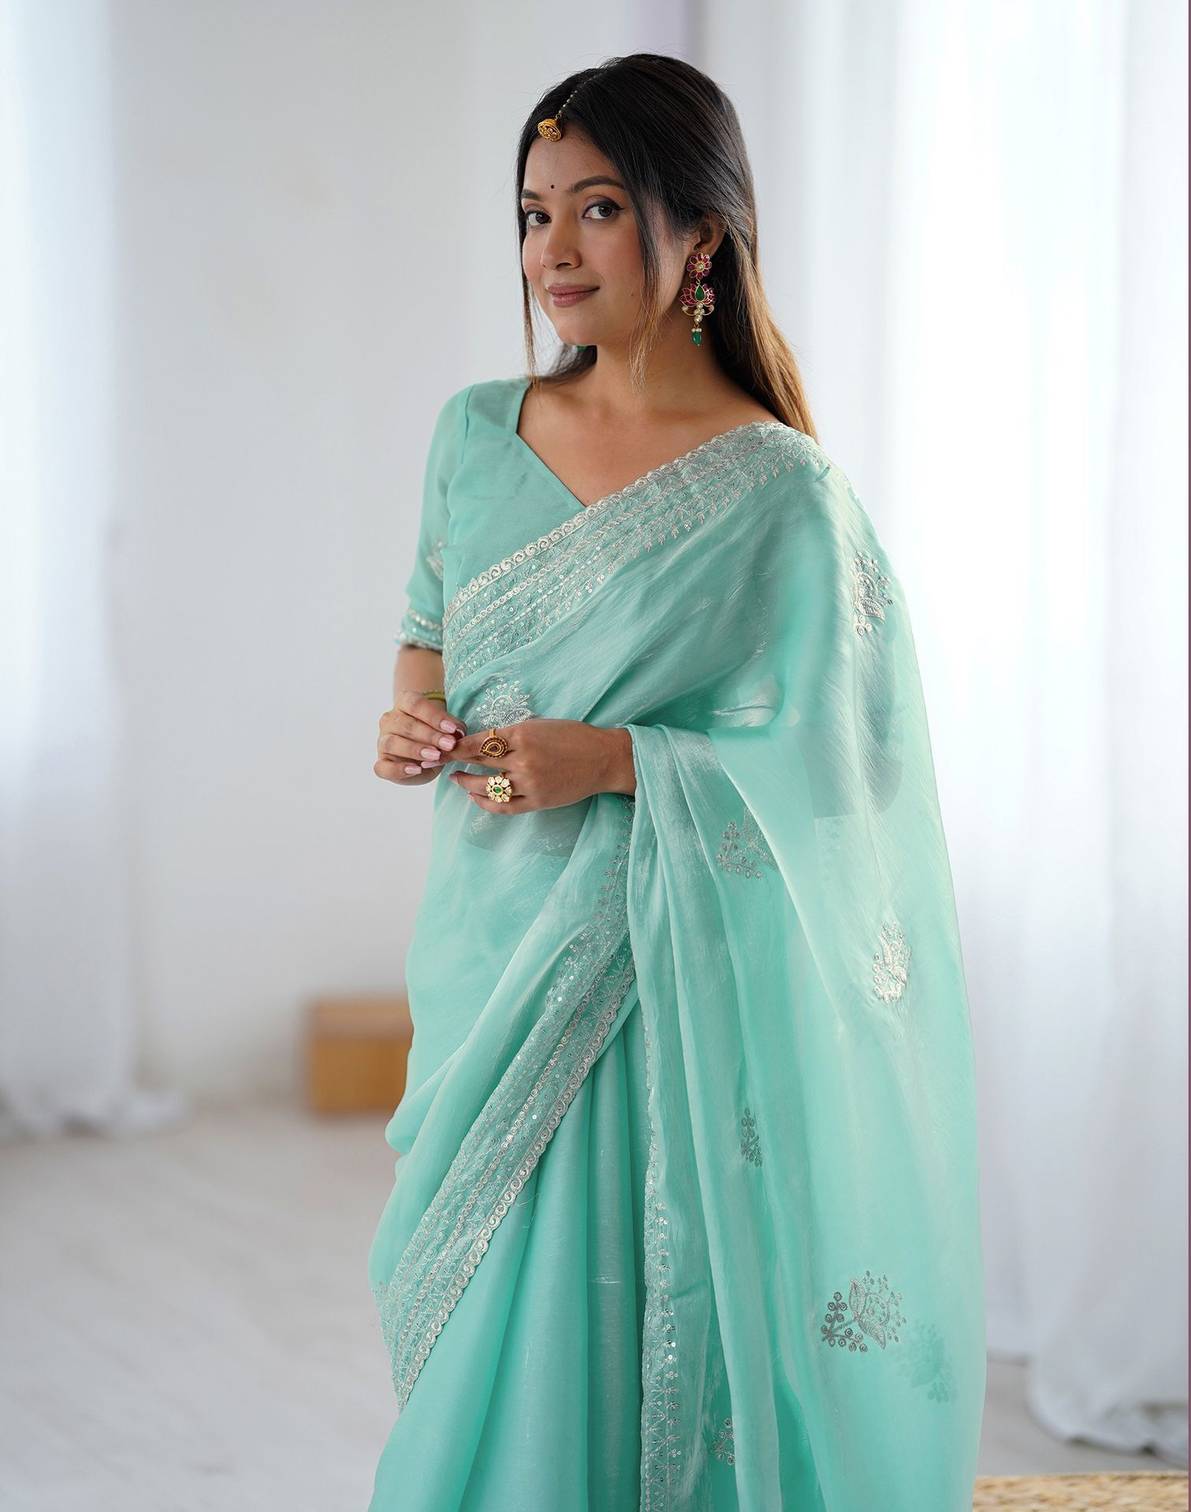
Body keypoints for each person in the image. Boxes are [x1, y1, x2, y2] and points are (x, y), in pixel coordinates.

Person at [368, 53, 986, 1512]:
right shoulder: (476, 432)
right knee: (487, 1310)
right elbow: (427, 634)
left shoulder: (780, 493)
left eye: (597, 208)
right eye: (534, 214)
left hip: (665, 982)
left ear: (700, 234)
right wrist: (411, 720)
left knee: (647, 1293)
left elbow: (846, 778)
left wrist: (621, 763)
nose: (554, 250)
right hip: (493, 951)